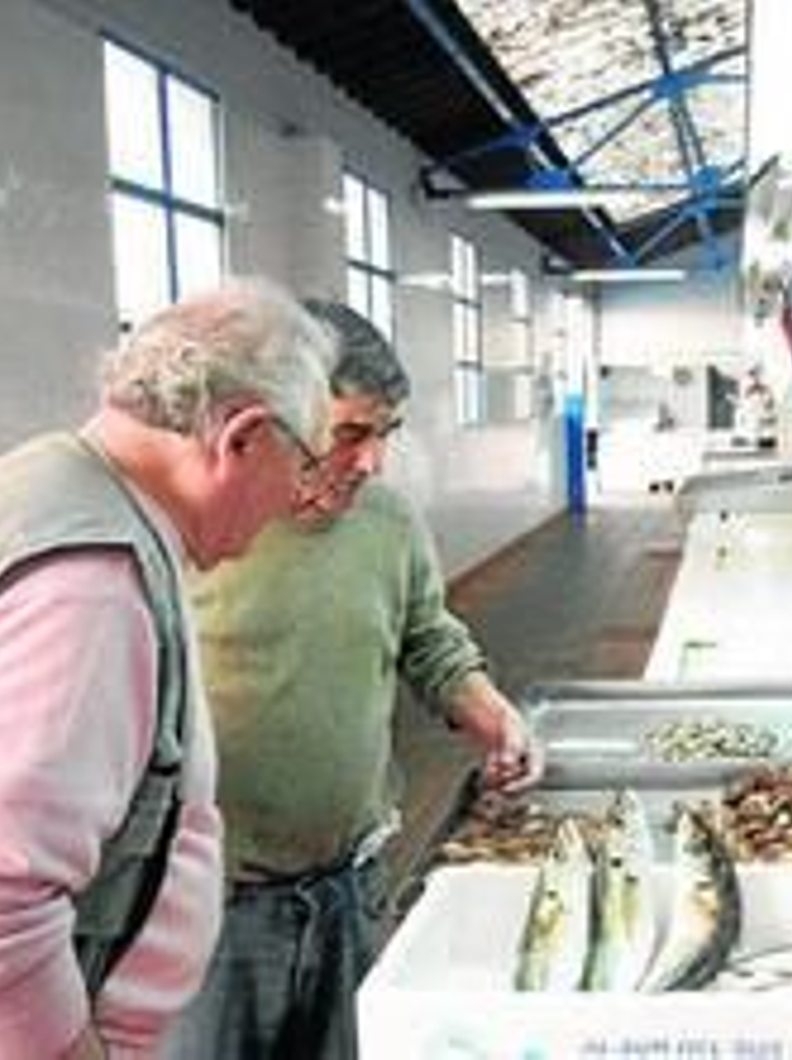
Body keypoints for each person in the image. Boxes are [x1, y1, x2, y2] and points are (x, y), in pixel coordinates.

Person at [0, 278, 337, 1058]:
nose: (300, 496)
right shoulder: (90, 584)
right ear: (244, 437)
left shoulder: (45, 492)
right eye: (306, 462)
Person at [170, 302, 538, 1060]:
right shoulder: (203, 527)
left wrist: (492, 712)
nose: (372, 461)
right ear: (275, 417)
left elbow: (427, 638)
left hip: (352, 890)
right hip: (215, 913)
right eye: (349, 434)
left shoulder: (389, 522)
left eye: (386, 434)